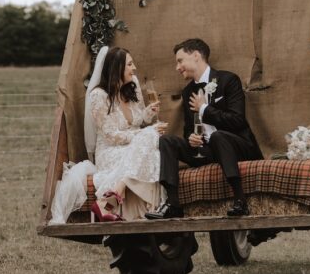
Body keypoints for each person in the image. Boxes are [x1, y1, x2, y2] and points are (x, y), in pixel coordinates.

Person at [145, 38, 262, 219]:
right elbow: (188, 129)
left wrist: (204, 109)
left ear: (196, 56)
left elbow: (237, 120)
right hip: (205, 150)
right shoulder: (187, 91)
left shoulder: (228, 80)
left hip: (235, 146)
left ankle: (240, 200)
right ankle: (173, 204)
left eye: (180, 60)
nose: (178, 67)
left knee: (217, 137)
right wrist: (191, 137)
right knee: (166, 141)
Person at [84, 46, 167, 221]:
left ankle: (112, 197)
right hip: (110, 150)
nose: (134, 68)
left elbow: (138, 121)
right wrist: (145, 134)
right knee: (150, 137)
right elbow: (111, 136)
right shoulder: (98, 96)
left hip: (134, 146)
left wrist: (148, 113)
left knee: (154, 147)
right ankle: (142, 209)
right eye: (130, 64)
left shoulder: (132, 85)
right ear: (117, 68)